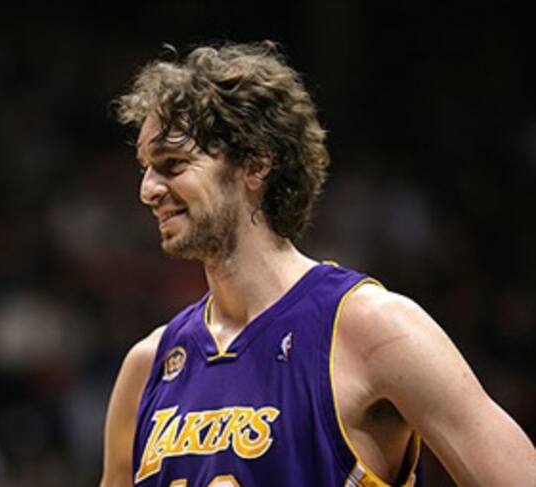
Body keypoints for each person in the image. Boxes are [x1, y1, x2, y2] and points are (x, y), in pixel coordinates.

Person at [100, 41, 534, 487]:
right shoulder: (146, 367)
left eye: (172, 164)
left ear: (255, 165)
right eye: (145, 168)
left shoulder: (375, 329)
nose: (147, 190)